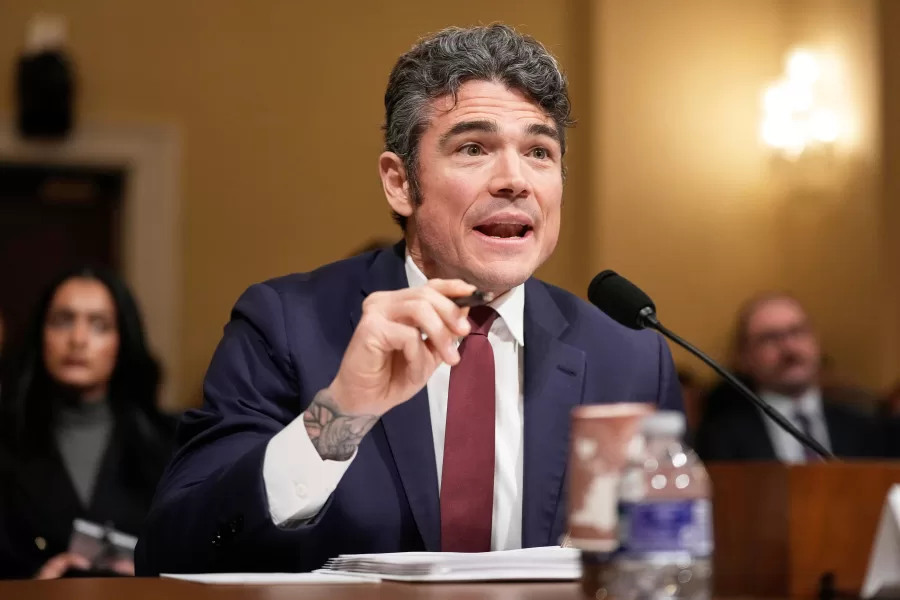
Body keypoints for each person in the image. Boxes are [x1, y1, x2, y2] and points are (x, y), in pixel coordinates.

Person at [135, 24, 682, 575]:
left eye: (539, 152)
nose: (515, 180)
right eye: (474, 148)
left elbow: (669, 566)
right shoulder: (286, 325)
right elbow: (170, 552)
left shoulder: (629, 357)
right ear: (400, 183)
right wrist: (342, 412)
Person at [0, 266, 176, 580]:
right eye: (62, 321)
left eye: (99, 325)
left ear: (122, 341)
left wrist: (149, 575)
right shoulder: (7, 438)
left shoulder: (169, 442)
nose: (78, 339)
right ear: (41, 334)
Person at [694, 291, 883, 462]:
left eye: (797, 332)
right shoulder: (720, 437)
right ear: (744, 356)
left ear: (816, 341)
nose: (789, 348)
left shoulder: (866, 426)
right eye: (770, 338)